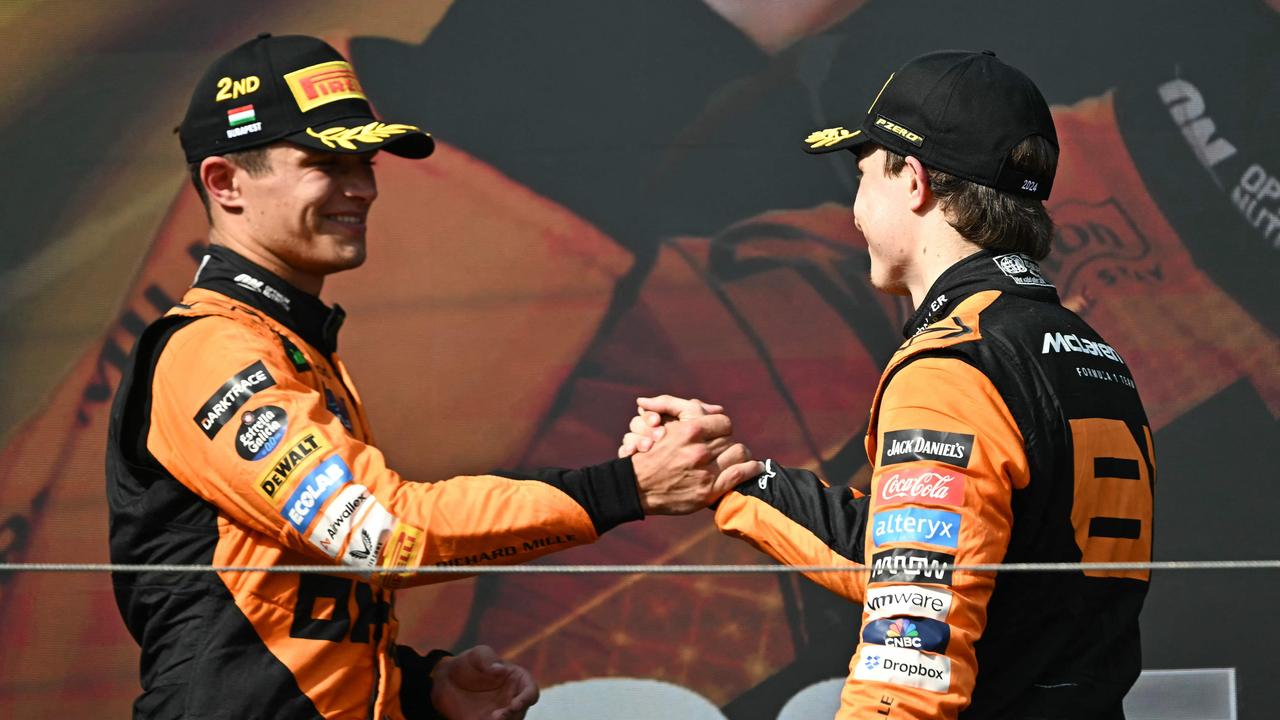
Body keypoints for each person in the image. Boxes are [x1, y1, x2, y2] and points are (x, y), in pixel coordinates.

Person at [105, 34, 752, 720]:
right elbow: (379, 534)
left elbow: (279, 614)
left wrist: (414, 687)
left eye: (365, 159)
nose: (362, 186)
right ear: (225, 182)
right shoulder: (213, 351)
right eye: (326, 162)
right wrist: (623, 489)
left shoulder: (289, 345)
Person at [624, 50, 1156, 718]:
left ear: (914, 181)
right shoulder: (1086, 349)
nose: (851, 209)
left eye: (863, 173)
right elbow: (917, 549)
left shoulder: (957, 364)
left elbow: (914, 634)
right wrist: (726, 476)